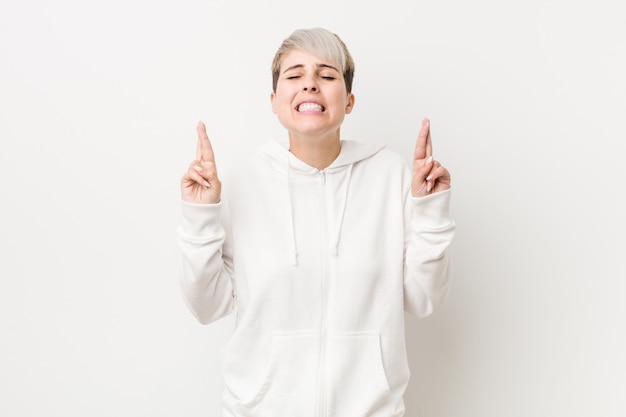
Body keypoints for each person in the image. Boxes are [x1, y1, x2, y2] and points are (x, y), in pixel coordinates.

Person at [177, 27, 455, 417]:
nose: (310, 85)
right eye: (294, 76)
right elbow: (207, 306)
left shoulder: (392, 177)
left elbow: (424, 298)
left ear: (350, 100)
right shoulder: (241, 183)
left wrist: (430, 211)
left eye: (326, 75)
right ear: (274, 101)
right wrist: (201, 216)